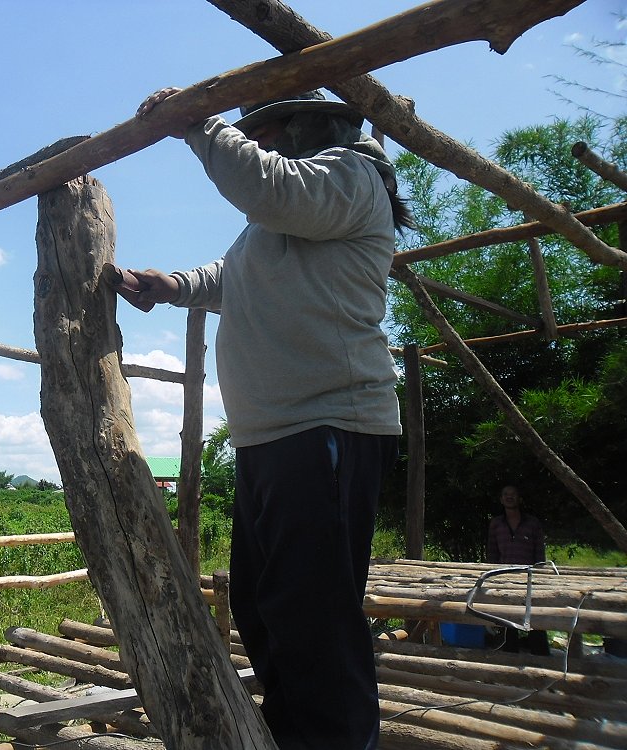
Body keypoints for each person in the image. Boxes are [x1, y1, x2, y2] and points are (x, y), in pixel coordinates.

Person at [124, 88, 415, 750]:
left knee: (312, 619)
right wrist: (174, 287)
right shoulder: (293, 209)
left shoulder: (349, 176)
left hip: (327, 426)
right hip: (278, 435)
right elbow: (234, 274)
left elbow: (265, 188)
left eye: (272, 130)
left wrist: (198, 122)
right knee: (264, 608)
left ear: (311, 125)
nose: (263, 143)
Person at [487, 484, 550, 656]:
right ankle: (510, 658)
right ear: (501, 499)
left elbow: (539, 553)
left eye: (513, 494)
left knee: (535, 619)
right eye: (506, 494)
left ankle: (541, 659)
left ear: (519, 499)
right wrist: (492, 575)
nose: (509, 497)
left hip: (530, 577)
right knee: (508, 620)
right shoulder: (496, 524)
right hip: (504, 578)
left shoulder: (532, 523)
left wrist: (541, 574)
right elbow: (492, 552)